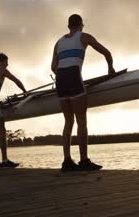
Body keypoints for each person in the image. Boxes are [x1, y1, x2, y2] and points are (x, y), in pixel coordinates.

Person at [51, 14, 115, 171]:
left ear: (68, 26)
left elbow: (53, 66)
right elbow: (106, 52)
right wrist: (110, 68)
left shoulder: (58, 42)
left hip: (60, 79)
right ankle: (84, 160)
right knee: (81, 121)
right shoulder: (84, 37)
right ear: (81, 25)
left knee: (68, 122)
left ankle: (67, 161)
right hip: (73, 76)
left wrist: (62, 74)